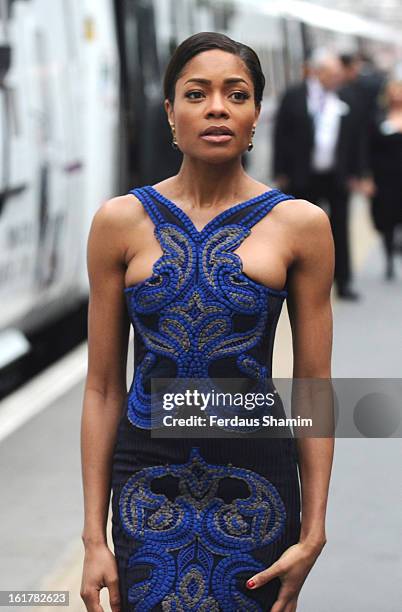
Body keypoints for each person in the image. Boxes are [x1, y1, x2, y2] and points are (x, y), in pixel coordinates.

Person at [80, 32, 334, 612]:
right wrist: (94, 537)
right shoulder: (120, 222)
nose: (217, 107)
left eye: (236, 94)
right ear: (170, 112)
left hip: (257, 493)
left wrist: (314, 530)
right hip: (148, 488)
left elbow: (315, 388)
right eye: (197, 94)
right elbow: (101, 388)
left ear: (255, 115)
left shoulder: (301, 226)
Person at [273, 48, 363, 301]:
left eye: (338, 74)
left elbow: (356, 139)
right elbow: (281, 135)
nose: (337, 78)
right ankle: (295, 282)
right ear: (317, 72)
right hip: (302, 176)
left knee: (341, 228)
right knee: (300, 230)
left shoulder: (347, 97)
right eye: (332, 74)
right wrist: (280, 171)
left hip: (337, 176)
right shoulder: (294, 96)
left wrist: (357, 172)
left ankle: (343, 281)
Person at [360, 67, 402, 279]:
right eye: (393, 90)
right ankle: (388, 260)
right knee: (386, 219)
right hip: (384, 177)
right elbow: (368, 148)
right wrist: (366, 177)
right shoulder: (377, 117)